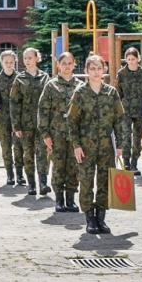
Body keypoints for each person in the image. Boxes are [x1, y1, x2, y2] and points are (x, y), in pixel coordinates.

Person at [68, 53, 123, 235]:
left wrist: (121, 145)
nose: (96, 72)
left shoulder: (111, 92)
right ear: (86, 71)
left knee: (104, 182)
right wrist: (76, 145)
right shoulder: (80, 93)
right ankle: (89, 218)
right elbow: (72, 121)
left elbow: (119, 120)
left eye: (99, 68)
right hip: (85, 147)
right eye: (92, 69)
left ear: (104, 70)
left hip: (107, 146)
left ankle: (101, 217)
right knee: (86, 182)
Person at [39, 51, 82, 213]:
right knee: (58, 167)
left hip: (74, 135)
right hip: (56, 134)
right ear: (58, 65)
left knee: (73, 167)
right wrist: (45, 135)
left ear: (74, 65)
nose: (67, 67)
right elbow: (43, 111)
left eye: (70, 63)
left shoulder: (80, 85)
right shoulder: (51, 85)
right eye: (63, 63)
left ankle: (70, 200)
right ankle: (59, 200)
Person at [11, 47, 50, 197]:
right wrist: (16, 125)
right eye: (25, 58)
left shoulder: (45, 77)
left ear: (37, 58)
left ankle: (43, 183)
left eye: (30, 58)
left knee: (42, 154)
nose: (27, 61)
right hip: (25, 123)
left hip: (41, 124)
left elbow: (48, 101)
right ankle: (31, 184)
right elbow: (14, 103)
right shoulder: (19, 79)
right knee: (28, 154)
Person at [114, 46, 142, 175]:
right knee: (126, 136)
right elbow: (118, 94)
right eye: (128, 59)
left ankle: (135, 162)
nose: (131, 61)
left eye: (133, 59)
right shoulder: (121, 74)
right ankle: (126, 163)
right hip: (125, 111)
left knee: (137, 138)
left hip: (140, 110)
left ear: (138, 59)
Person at [0, 50, 21, 187]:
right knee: (6, 148)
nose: (9, 64)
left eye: (11, 62)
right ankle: (10, 175)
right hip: (4, 119)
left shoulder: (20, 78)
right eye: (6, 62)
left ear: (15, 62)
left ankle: (19, 175)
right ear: (1, 63)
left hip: (18, 120)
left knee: (19, 148)